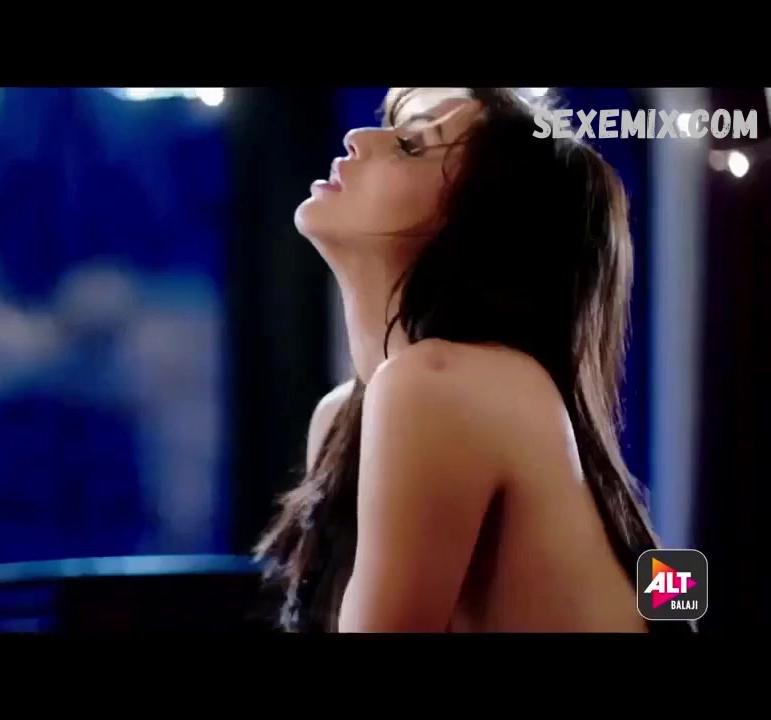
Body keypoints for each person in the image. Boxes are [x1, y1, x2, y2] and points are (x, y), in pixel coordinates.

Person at [255, 87, 688, 633]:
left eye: (413, 146)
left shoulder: (443, 384)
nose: (358, 137)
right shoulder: (344, 416)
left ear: (485, 226)